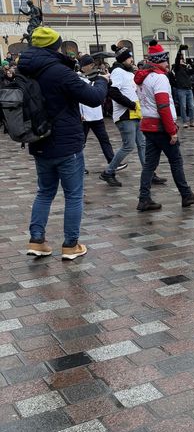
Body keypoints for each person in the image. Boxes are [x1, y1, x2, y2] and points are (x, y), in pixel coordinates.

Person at [18, 27, 109, 260]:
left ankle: (36, 240)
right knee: (73, 194)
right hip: (66, 142)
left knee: (45, 192)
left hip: (38, 138)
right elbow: (94, 99)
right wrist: (100, 81)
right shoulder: (59, 71)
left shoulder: (24, 70)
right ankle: (71, 244)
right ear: (54, 47)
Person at [133, 42, 194, 212]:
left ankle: (144, 198)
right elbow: (163, 106)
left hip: (148, 125)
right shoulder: (159, 78)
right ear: (159, 61)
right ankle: (186, 194)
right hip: (161, 127)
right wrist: (172, 131)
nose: (168, 64)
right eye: (165, 60)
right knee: (176, 161)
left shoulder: (143, 77)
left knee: (149, 165)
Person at [99, 44, 165, 189]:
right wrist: (130, 104)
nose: (132, 60)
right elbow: (113, 92)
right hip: (125, 114)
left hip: (135, 113)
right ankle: (108, 172)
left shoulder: (128, 72)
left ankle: (149, 173)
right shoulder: (117, 71)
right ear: (123, 59)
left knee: (142, 145)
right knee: (128, 146)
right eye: (129, 58)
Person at [78, 54, 117, 168]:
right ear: (83, 66)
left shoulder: (98, 76)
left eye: (92, 64)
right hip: (84, 117)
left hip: (97, 115)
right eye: (90, 65)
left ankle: (112, 162)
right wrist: (79, 113)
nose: (92, 66)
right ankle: (79, 165)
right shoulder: (78, 78)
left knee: (104, 140)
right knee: (81, 143)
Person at [171, 44, 194, 129]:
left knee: (191, 106)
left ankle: (192, 121)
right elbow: (177, 59)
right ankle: (185, 122)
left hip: (189, 89)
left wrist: (191, 63)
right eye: (181, 59)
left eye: (183, 59)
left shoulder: (186, 68)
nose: (182, 60)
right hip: (181, 90)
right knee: (183, 106)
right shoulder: (177, 68)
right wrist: (180, 50)